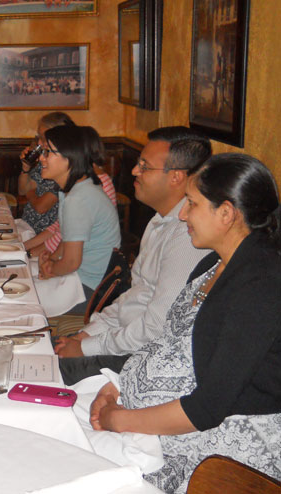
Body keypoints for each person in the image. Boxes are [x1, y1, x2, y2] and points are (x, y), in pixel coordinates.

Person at [89, 153, 281, 493]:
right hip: (150, 421)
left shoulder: (262, 286)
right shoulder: (212, 263)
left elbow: (207, 409)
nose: (182, 214)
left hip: (222, 455)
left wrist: (119, 419)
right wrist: (117, 385)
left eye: (191, 203)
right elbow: (169, 342)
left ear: (226, 213)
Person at [55, 127, 212, 383]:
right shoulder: (160, 220)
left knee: (40, 371)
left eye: (144, 166)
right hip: (122, 339)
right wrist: (87, 334)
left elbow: (157, 328)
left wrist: (86, 347)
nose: (134, 171)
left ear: (176, 177)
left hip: (143, 357)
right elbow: (133, 296)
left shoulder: (187, 236)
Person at [37, 125, 121, 313]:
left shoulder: (78, 199)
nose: (41, 158)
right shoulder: (78, 189)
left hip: (88, 290)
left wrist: (50, 269)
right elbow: (68, 241)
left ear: (70, 158)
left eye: (48, 152)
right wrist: (51, 259)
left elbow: (71, 262)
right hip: (81, 280)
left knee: (21, 300)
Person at [18, 112, 73, 238]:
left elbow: (41, 207)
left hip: (44, 234)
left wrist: (31, 192)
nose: (39, 143)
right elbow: (22, 190)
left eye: (43, 138)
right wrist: (26, 168)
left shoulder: (65, 167)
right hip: (27, 226)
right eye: (39, 137)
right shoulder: (44, 159)